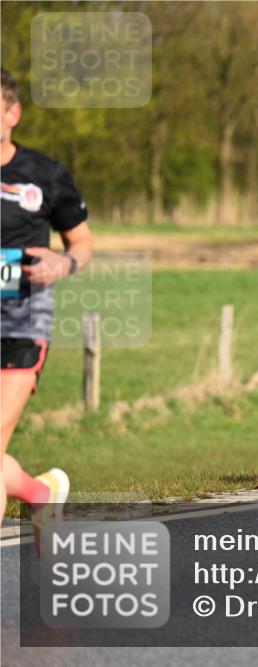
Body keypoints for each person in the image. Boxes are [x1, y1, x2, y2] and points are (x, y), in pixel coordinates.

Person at [1, 68, 92, 532]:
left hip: (22, 319)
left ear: (12, 113)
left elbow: (82, 243)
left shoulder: (45, 175)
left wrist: (62, 263)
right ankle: (41, 495)